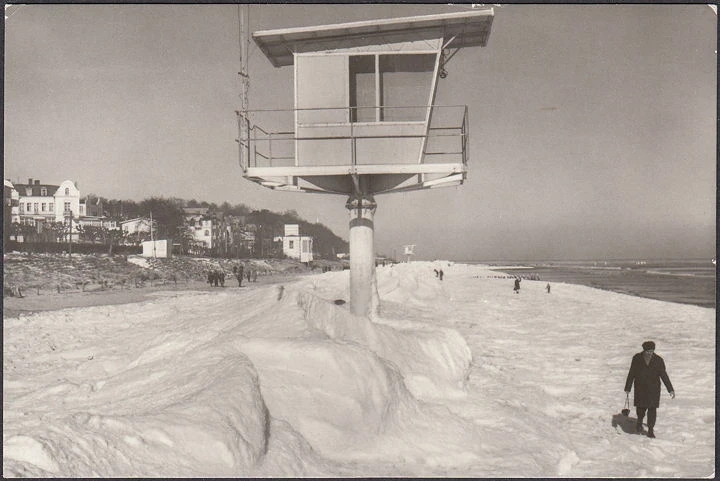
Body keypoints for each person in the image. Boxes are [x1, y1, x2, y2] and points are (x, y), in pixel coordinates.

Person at [624, 341, 675, 438]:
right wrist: (628, 387)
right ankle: (639, 421)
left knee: (652, 410)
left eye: (652, 351)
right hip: (640, 388)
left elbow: (664, 375)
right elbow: (632, 373)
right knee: (640, 408)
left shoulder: (658, 360)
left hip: (654, 389)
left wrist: (670, 389)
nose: (650, 353)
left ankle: (651, 430)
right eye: (648, 351)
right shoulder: (637, 358)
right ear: (644, 350)